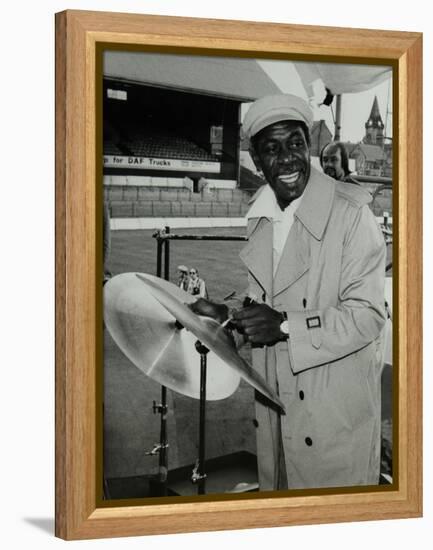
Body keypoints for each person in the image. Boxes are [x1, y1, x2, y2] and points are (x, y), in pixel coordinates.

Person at [191, 94, 386, 491]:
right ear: (256, 160)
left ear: (309, 146)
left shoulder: (351, 215)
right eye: (272, 149)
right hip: (277, 412)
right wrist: (227, 315)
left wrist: (283, 327)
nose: (287, 159)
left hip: (333, 419)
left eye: (296, 144)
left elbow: (368, 315)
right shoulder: (261, 217)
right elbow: (268, 306)